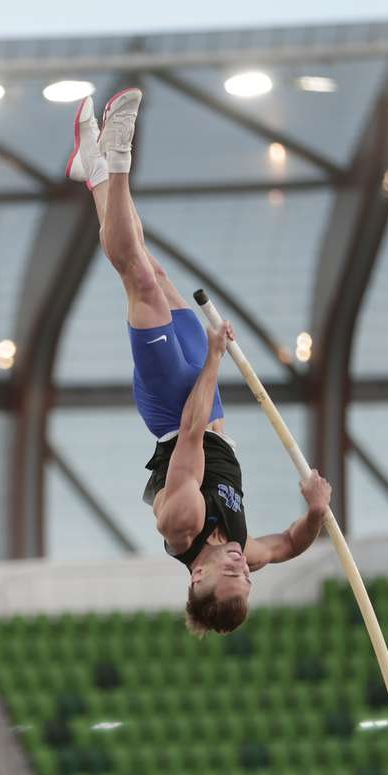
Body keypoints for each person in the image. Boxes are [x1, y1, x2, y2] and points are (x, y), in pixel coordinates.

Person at [66, 88, 333, 636]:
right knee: (156, 273)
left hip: (174, 406)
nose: (240, 565)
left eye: (227, 575)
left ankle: (117, 158)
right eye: (246, 577)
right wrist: (315, 512)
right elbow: (286, 546)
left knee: (138, 279)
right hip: (203, 399)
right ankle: (93, 170)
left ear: (195, 580)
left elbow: (190, 434)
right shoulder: (239, 547)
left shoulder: (182, 525)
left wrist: (214, 358)